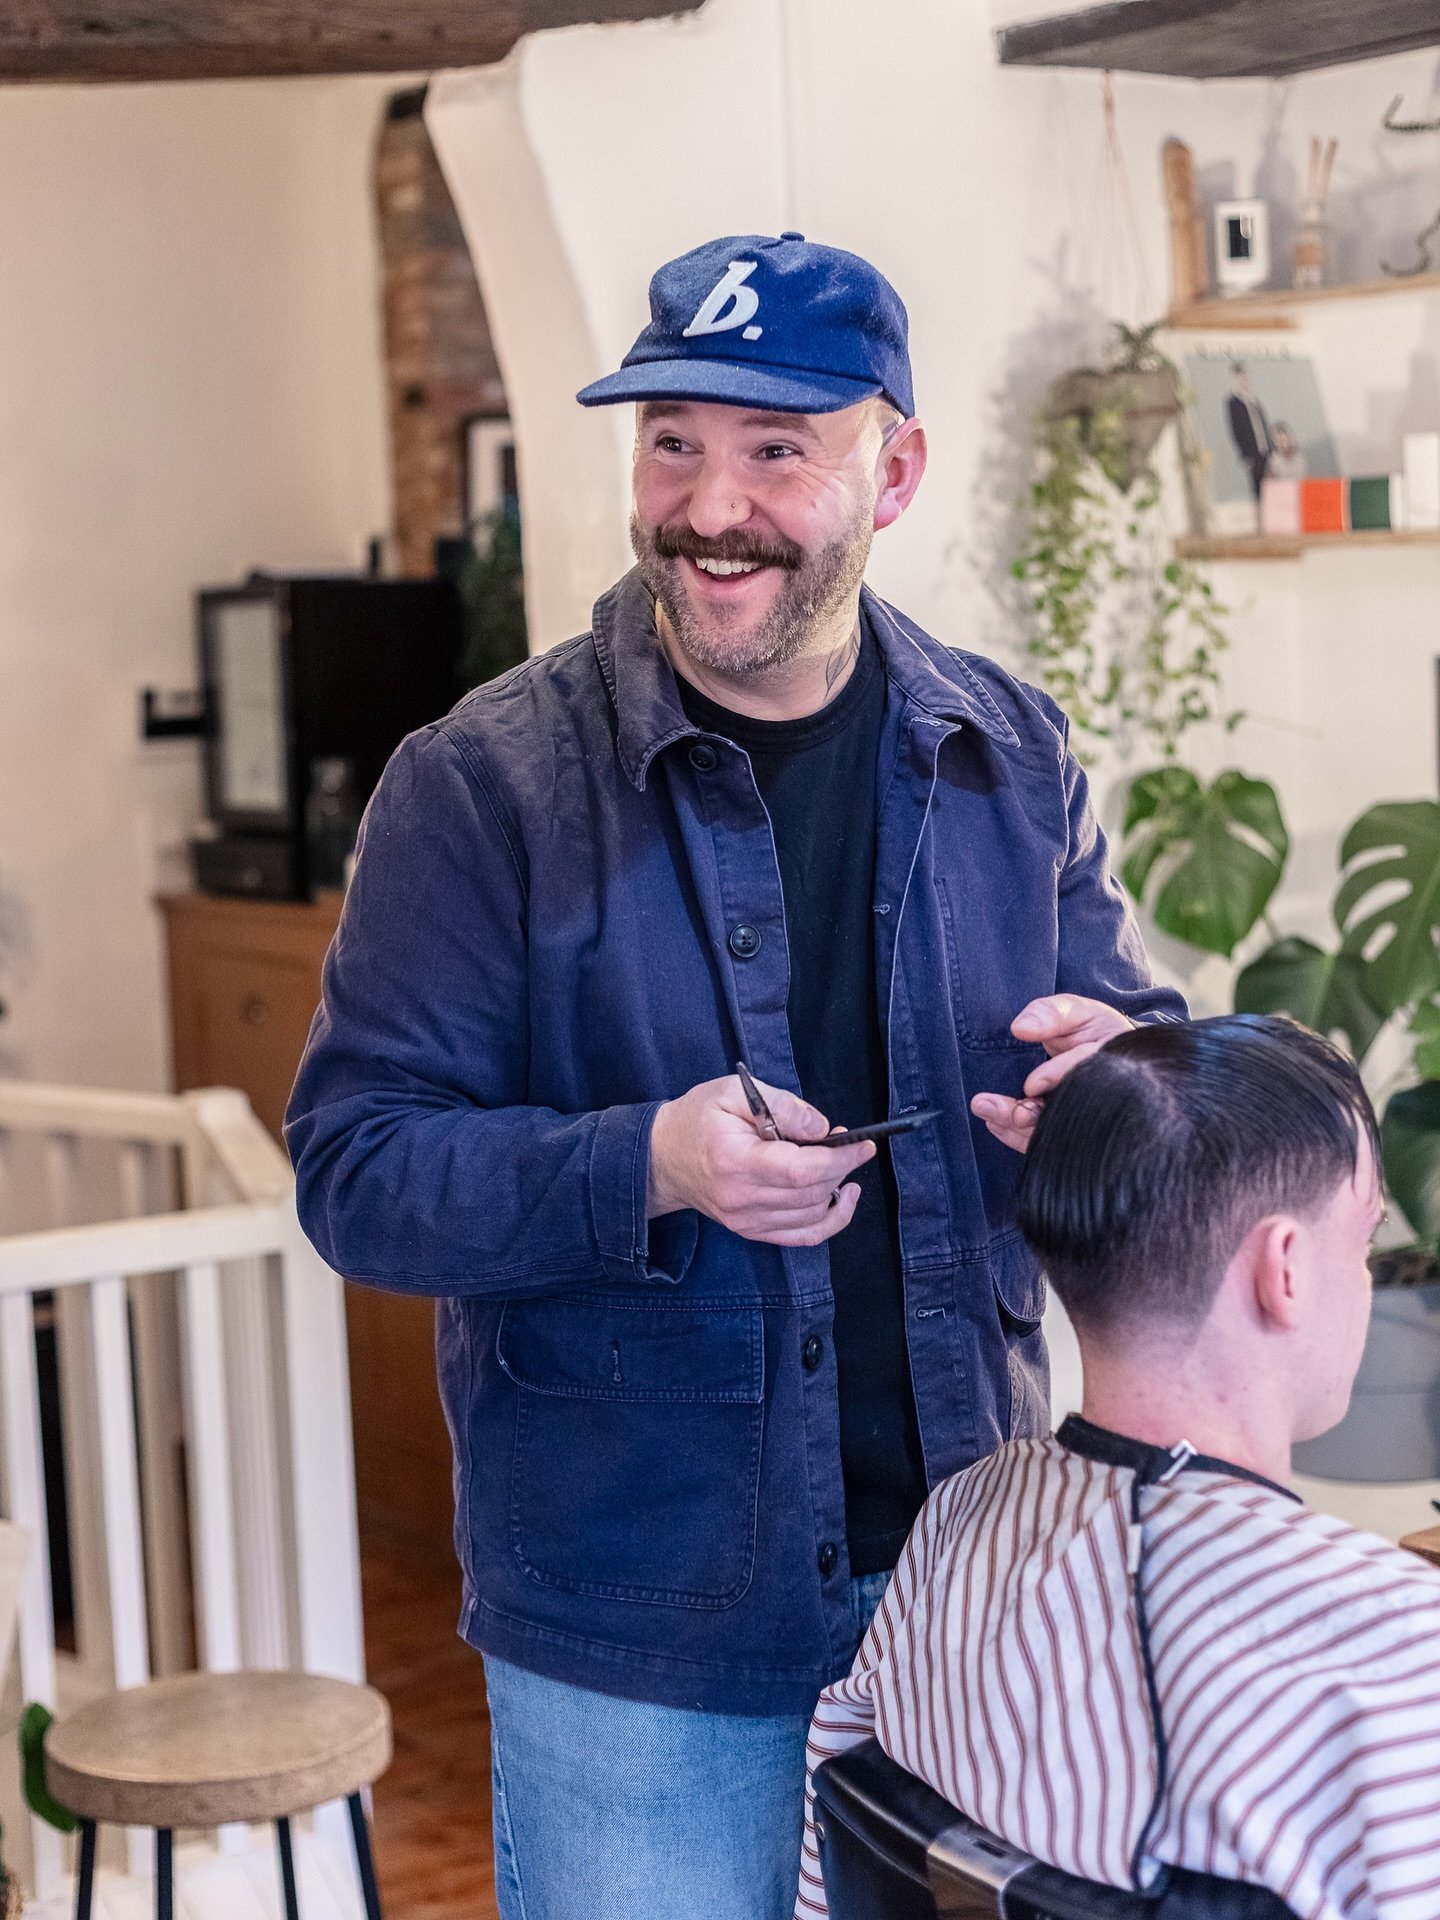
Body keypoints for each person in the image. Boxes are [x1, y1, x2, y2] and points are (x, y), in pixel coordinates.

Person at [285, 231, 1185, 1920]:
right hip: (638, 1624)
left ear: (893, 468)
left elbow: (1138, 1071)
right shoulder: (477, 790)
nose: (710, 505)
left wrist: (1129, 1079)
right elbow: (356, 1169)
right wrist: (651, 1165)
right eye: (673, 442)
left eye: (776, 450)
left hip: (962, 1584)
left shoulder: (1017, 755)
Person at [799, 1015, 1440, 1920]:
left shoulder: (957, 1526)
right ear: (1283, 1267)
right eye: (1363, 1244)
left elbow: (837, 1844)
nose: (1368, 1283)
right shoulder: (1396, 1650)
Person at [1227, 361, 1275, 501]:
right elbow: (1236, 430)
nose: (1243, 381)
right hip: (1253, 455)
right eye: (1240, 378)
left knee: (1272, 487)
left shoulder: (1253, 400)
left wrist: (1271, 447)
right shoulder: (1233, 402)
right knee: (1259, 491)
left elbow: (1262, 424)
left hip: (1265, 450)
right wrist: (1245, 455)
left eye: (1245, 377)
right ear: (1234, 379)